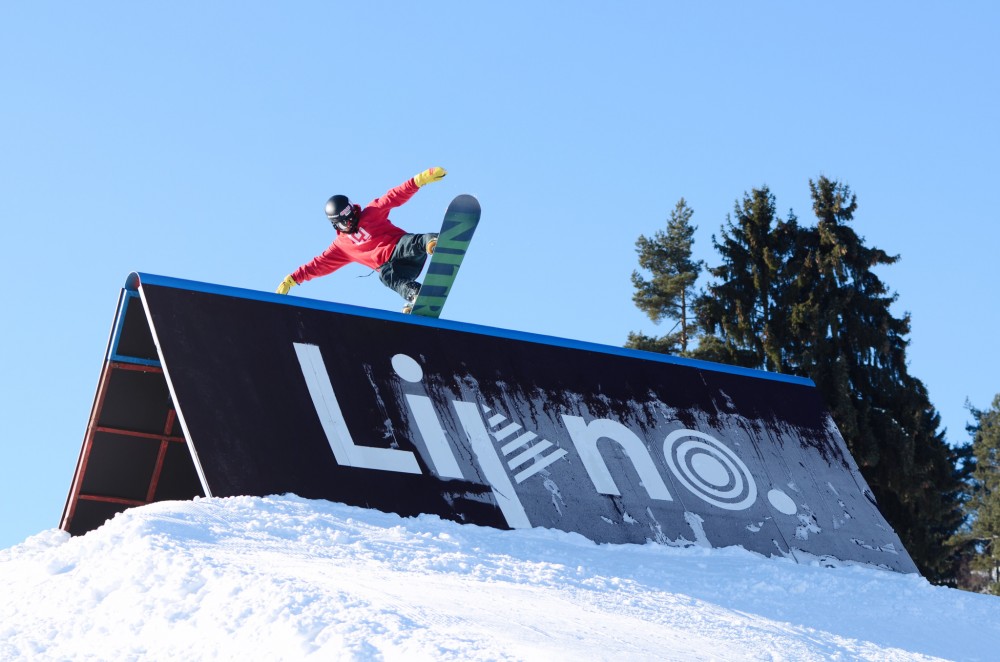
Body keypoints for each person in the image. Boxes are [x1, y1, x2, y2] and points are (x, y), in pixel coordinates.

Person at [275, 167, 447, 311]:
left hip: (403, 249)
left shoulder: (371, 212)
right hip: (400, 270)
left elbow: (393, 196)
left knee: (410, 242)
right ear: (336, 225)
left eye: (351, 217)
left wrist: (418, 180)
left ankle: (434, 242)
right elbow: (317, 265)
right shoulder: (341, 247)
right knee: (385, 276)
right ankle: (414, 294)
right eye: (344, 223)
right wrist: (293, 279)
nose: (350, 223)